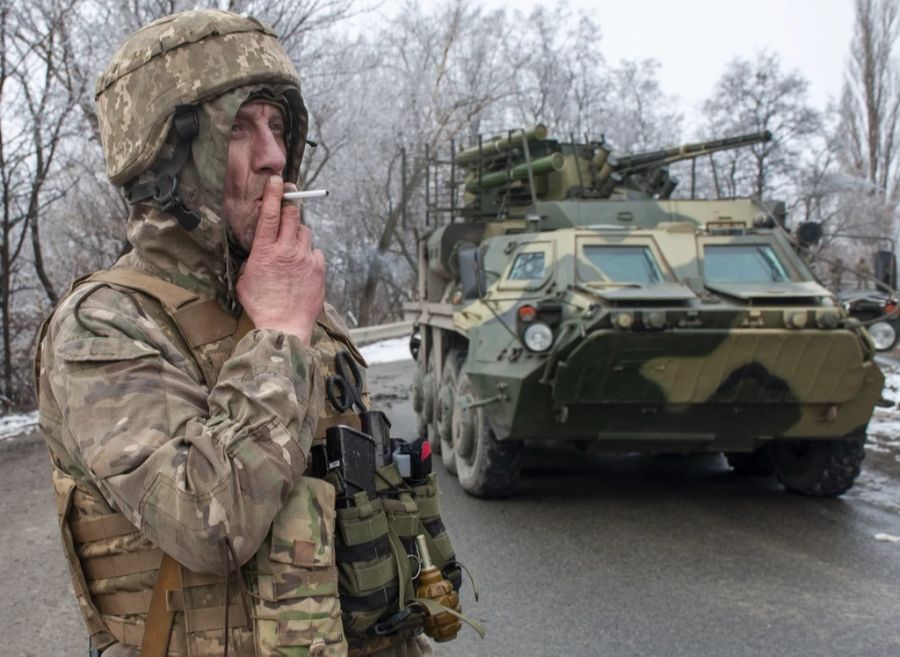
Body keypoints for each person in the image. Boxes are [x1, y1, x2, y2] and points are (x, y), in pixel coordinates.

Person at [35, 10, 434, 657]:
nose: (275, 155)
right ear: (170, 156)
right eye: (242, 128)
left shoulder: (297, 298)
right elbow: (207, 524)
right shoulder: (102, 326)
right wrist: (277, 335)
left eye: (278, 126)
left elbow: (365, 510)